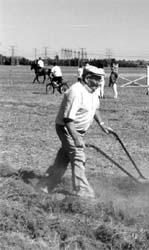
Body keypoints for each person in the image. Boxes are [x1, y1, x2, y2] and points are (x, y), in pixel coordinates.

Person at [36, 65, 111, 199]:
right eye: (98, 79)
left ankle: (44, 186)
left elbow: (95, 109)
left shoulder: (92, 91)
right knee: (78, 156)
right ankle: (83, 192)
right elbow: (68, 119)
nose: (100, 83)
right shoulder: (75, 92)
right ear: (88, 78)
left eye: (101, 80)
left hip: (78, 130)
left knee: (63, 160)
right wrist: (76, 138)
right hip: (67, 128)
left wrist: (102, 124)